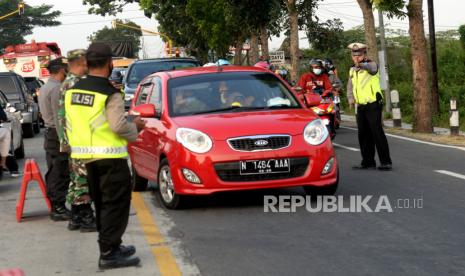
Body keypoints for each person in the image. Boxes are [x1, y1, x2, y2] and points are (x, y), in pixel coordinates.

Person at [64, 43, 145, 269]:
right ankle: (109, 253)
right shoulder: (110, 92)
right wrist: (136, 127)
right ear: (110, 63)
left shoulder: (72, 90)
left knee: (101, 204)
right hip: (110, 158)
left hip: (86, 158)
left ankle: (112, 245)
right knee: (115, 205)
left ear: (87, 63)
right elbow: (118, 126)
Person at [57, 49, 97, 232]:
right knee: (82, 180)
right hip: (79, 140)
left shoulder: (67, 83)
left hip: (71, 139)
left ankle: (75, 217)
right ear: (82, 63)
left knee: (75, 180)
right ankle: (86, 218)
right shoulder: (76, 85)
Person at [347, 42, 392, 171]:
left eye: (359, 55)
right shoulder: (352, 70)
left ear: (364, 54)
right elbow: (350, 86)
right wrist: (351, 99)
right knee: (363, 134)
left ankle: (385, 162)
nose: (356, 57)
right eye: (354, 55)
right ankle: (367, 161)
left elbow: (371, 69)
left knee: (377, 132)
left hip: (373, 104)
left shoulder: (372, 65)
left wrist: (360, 64)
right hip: (360, 106)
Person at [38, 58, 70, 221]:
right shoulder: (57, 88)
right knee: (60, 171)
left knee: (54, 171)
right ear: (61, 70)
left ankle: (56, 205)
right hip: (57, 134)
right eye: (66, 69)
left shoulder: (45, 87)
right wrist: (64, 139)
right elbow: (60, 117)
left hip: (50, 133)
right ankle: (58, 207)